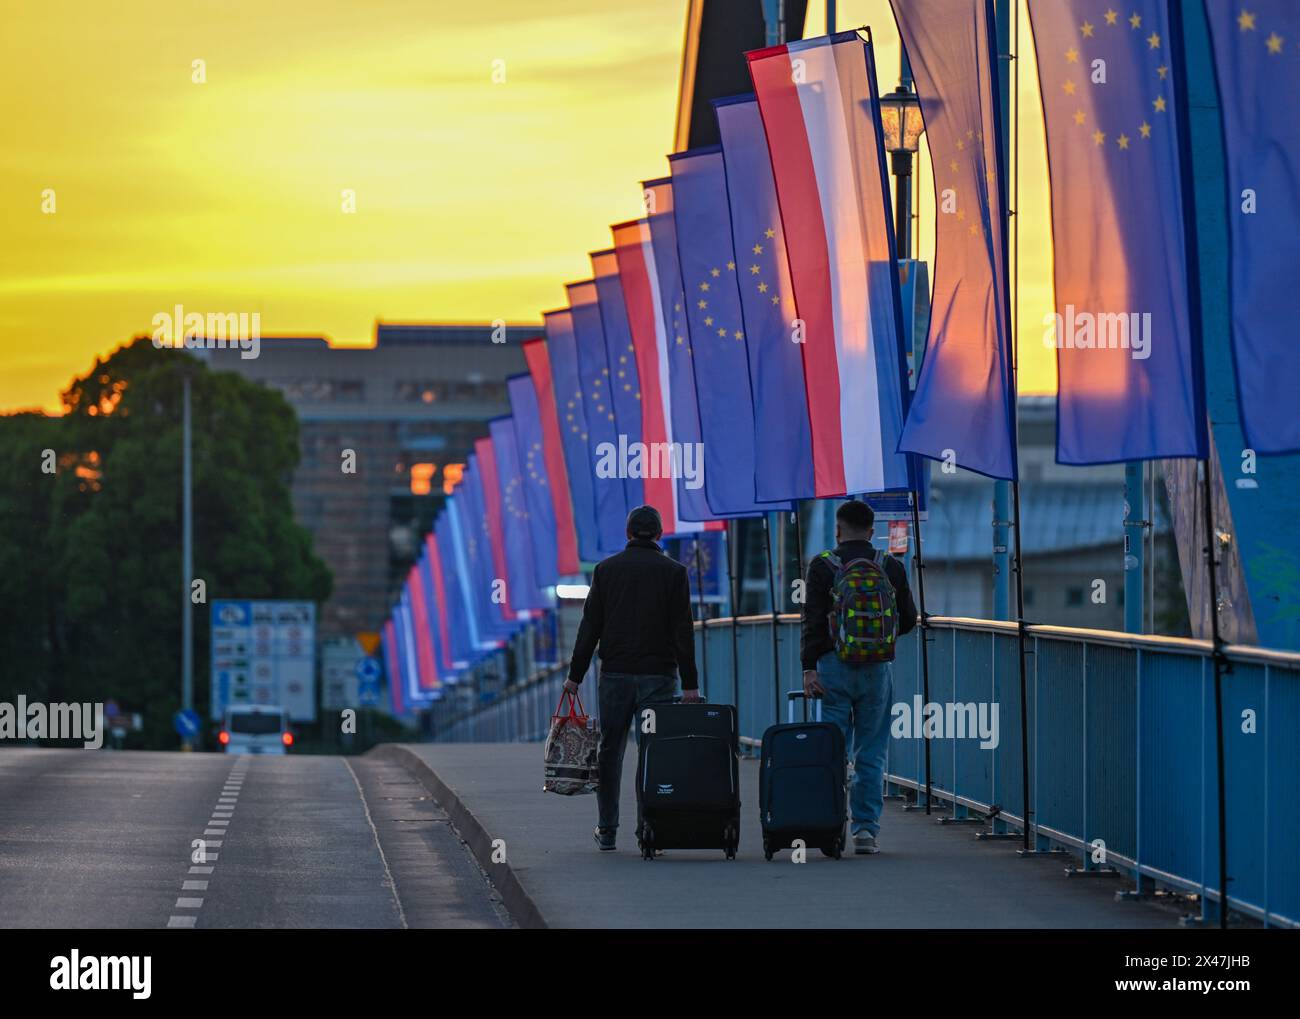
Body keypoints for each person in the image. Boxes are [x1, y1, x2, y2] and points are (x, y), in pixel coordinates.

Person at [564, 504, 700, 852]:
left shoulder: (606, 571)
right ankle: (649, 829)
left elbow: (590, 626)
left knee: (611, 751)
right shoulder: (675, 572)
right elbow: (682, 632)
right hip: (659, 677)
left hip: (615, 676)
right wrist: (690, 684)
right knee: (654, 752)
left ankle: (607, 829)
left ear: (628, 534)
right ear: (658, 534)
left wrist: (574, 676)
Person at [800, 498, 917, 855]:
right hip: (877, 670)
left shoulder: (822, 566)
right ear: (871, 531)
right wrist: (876, 641)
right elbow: (909, 620)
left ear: (838, 530)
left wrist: (809, 668)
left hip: (833, 668)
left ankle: (831, 826)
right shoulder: (889, 566)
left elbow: (813, 620)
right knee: (872, 752)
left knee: (832, 748)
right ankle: (866, 832)